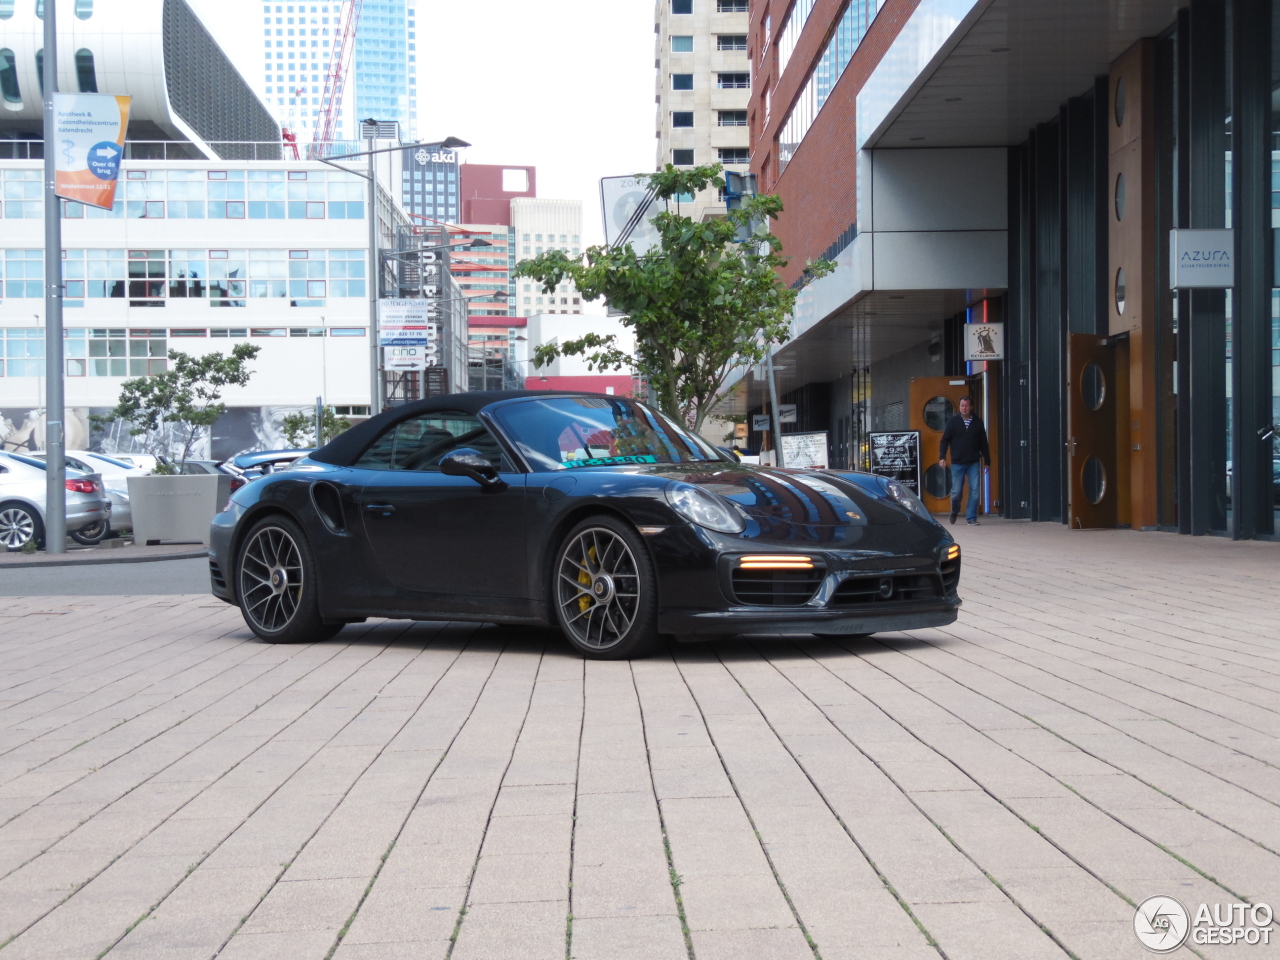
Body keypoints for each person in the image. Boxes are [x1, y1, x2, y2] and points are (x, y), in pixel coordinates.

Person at [938, 396, 990, 525]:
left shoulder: (978, 422)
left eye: (966, 406)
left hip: (973, 462)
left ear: (971, 407)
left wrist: (987, 461)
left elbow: (984, 443)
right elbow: (945, 440)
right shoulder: (952, 422)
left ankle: (971, 518)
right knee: (956, 492)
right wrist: (942, 457)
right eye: (962, 405)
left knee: (975, 491)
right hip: (957, 462)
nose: (964, 408)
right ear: (959, 407)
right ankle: (955, 510)